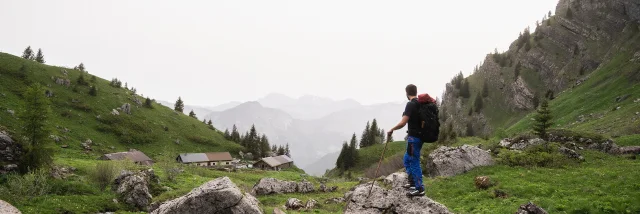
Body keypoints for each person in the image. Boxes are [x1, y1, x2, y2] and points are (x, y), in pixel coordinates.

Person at [387, 84, 425, 197]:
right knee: (407, 159)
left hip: (414, 138)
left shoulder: (411, 104)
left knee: (413, 161)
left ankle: (419, 188)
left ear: (407, 93)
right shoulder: (421, 104)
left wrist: (392, 129)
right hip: (419, 137)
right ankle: (412, 182)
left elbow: (403, 122)